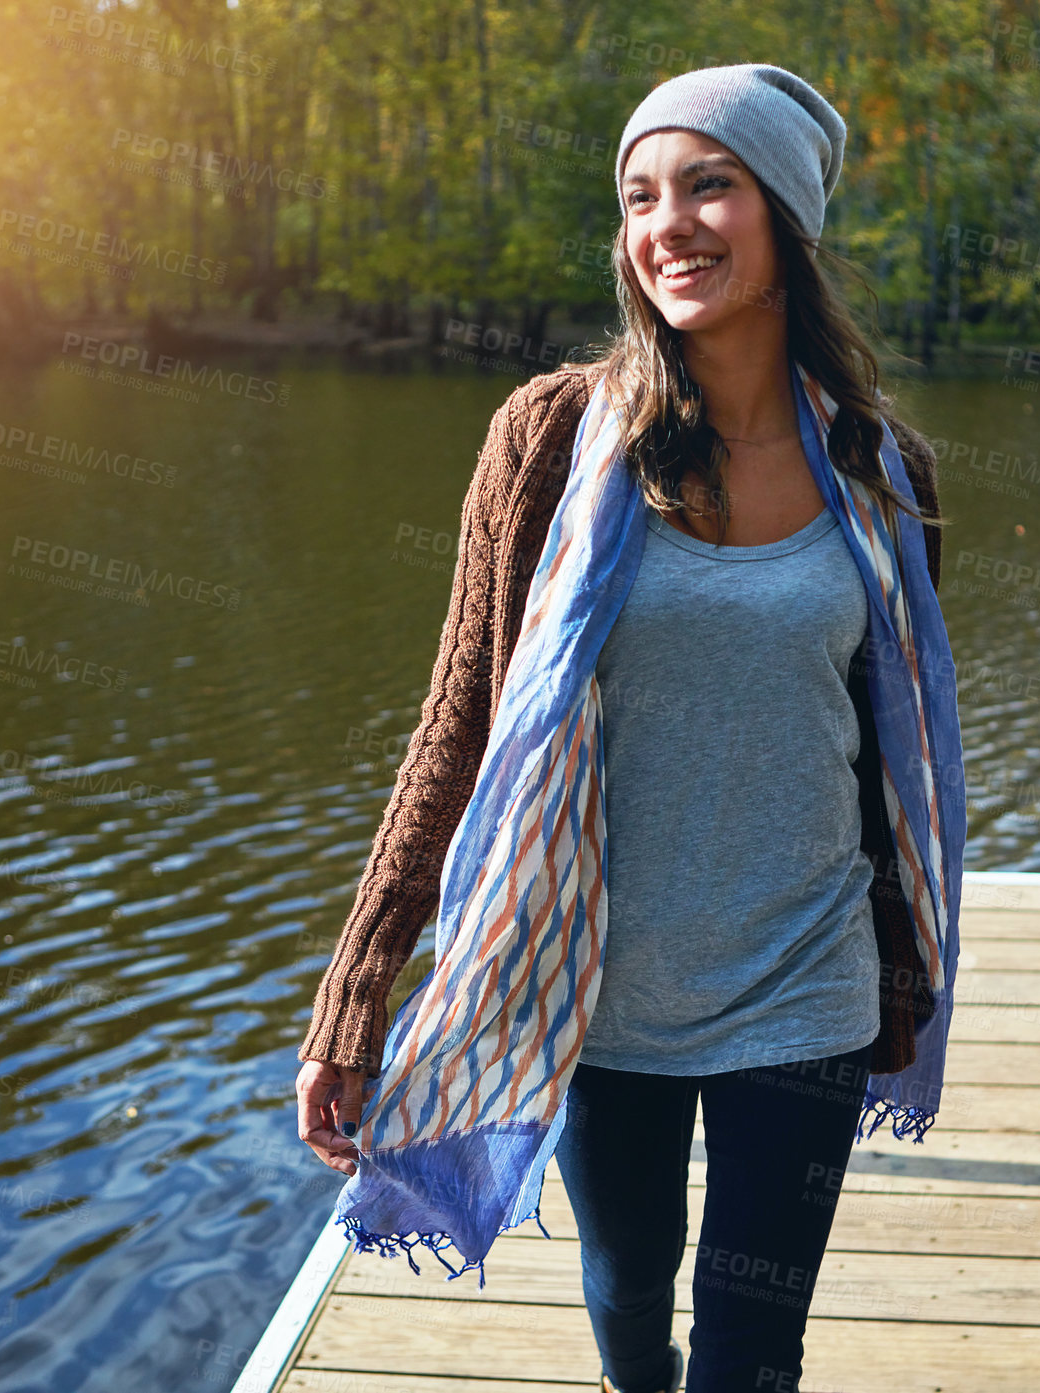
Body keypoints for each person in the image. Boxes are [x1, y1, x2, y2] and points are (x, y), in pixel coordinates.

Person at [296, 63, 954, 1393]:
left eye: (709, 183)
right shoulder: (548, 442)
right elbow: (458, 723)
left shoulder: (884, 476)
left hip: (803, 974)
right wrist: (359, 983)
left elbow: (899, 755)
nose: (670, 224)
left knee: (751, 1338)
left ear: (784, 215)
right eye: (641, 195)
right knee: (626, 1287)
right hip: (588, 978)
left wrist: (899, 963)